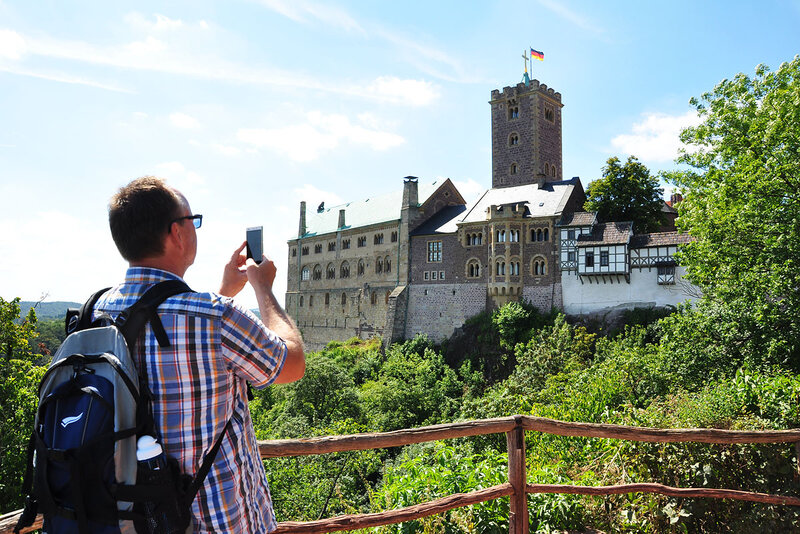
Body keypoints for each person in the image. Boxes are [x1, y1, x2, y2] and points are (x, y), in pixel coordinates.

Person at [95, 176, 304, 533]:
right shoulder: (215, 316)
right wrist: (262, 289)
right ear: (177, 232)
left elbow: (167, 332)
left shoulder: (98, 311)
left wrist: (224, 290)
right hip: (216, 520)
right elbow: (291, 363)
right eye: (193, 221)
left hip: (132, 519)